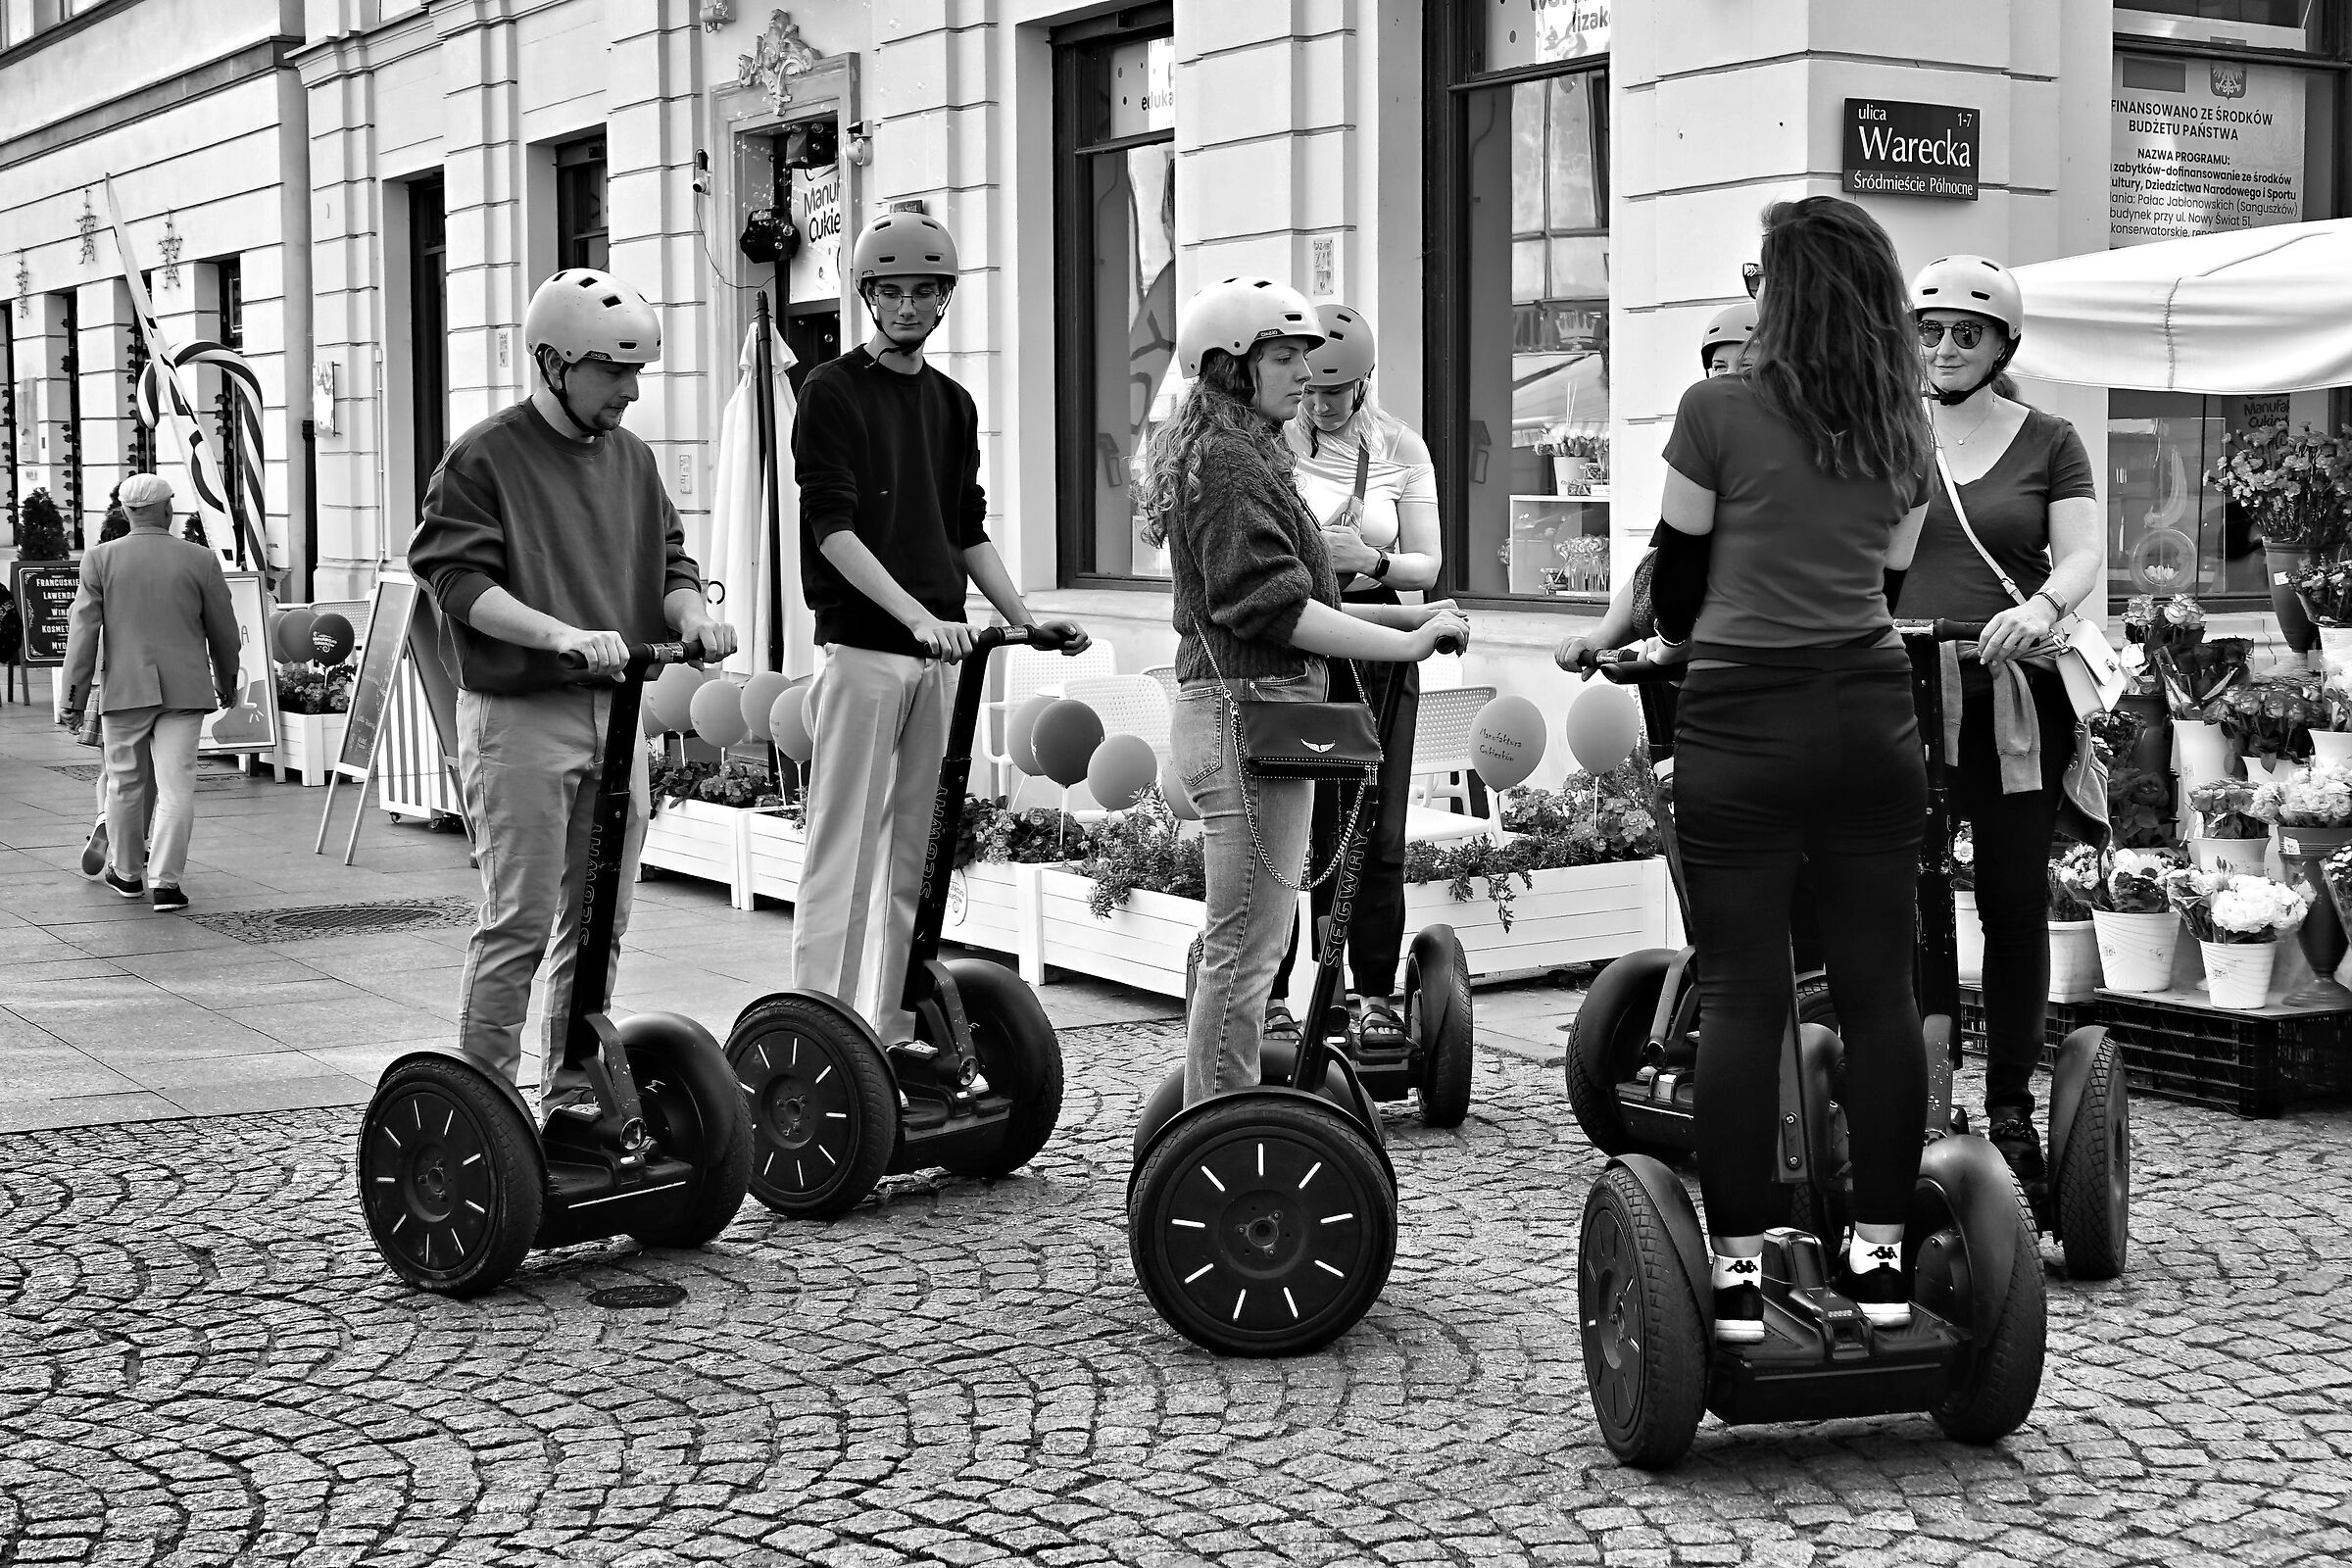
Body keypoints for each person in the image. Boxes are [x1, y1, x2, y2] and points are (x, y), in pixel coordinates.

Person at [1643, 197, 1935, 1342]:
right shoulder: (1902, 425)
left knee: (1743, 993)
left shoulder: (1715, 406)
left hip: (1741, 716)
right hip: (1870, 715)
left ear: (1782, 290)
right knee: (1879, 990)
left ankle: (1735, 1279)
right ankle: (1878, 1259)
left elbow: (1675, 583)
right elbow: (1894, 581)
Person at [409, 266, 737, 1118]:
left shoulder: (631, 457)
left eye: (636, 373)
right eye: (613, 372)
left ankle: (569, 1090)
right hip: (520, 714)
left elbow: (670, 560)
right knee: (517, 919)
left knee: (601, 921)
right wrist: (559, 633)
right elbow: (453, 578)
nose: (630, 392)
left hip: (620, 712)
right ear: (554, 362)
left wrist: (693, 611)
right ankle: (481, 1107)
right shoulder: (484, 455)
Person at [1139, 277, 1469, 1106]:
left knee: (1251, 942)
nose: (1302, 371)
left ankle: (1229, 1115)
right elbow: (1279, 609)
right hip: (1242, 716)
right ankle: (1218, 1128)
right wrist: (1408, 635)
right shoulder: (1229, 463)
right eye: (1284, 357)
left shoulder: (1247, 452)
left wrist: (1414, 613)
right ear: (1228, 367)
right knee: (1246, 951)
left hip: (1264, 712)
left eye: (1307, 357)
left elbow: (1300, 591)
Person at [792, 212, 1089, 1054]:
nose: (910, 305)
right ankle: (821, 1028)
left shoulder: (953, 404)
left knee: (919, 853)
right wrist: (917, 616)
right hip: (865, 650)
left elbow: (966, 529)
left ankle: (885, 1027)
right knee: (841, 846)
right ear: (868, 296)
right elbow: (833, 531)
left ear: (945, 299)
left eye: (926, 291)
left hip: (943, 654)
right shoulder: (830, 392)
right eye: (893, 290)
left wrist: (1025, 619)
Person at [1904, 254, 2103, 1187]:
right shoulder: (1890, 437)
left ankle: (2012, 1111)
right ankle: (1929, 1096)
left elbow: (2082, 554)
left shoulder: (2050, 438)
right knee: (1916, 910)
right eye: (1931, 330)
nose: (1945, 347)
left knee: (2014, 908)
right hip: (1905, 699)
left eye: (1967, 332)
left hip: (2016, 704)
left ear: (2002, 345)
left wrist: (2042, 609)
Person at [1264, 304, 1444, 1053]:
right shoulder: (1269, 441)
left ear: (1367, 380)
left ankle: (1371, 992)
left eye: (1337, 393)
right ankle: (1273, 992)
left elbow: (1427, 566)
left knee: (1374, 822)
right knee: (1286, 819)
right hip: (1294, 636)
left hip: (1374, 638)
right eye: (1312, 390)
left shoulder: (1402, 446)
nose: (1320, 405)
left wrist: (1368, 561)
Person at [60, 472, 239, 913]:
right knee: (177, 789)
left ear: (125, 512)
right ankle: (167, 884)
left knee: (123, 784)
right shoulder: (200, 559)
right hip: (185, 690)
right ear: (168, 509)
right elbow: (224, 631)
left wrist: (73, 698)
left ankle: (126, 874)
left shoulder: (99, 559)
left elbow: (82, 634)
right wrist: (227, 680)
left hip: (125, 689)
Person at [1553, 298, 1756, 672]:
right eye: (1718, 367)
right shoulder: (1705, 445)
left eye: (1746, 366)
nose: (1728, 379)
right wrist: (1600, 640)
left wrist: (1676, 642)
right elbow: (1662, 561)